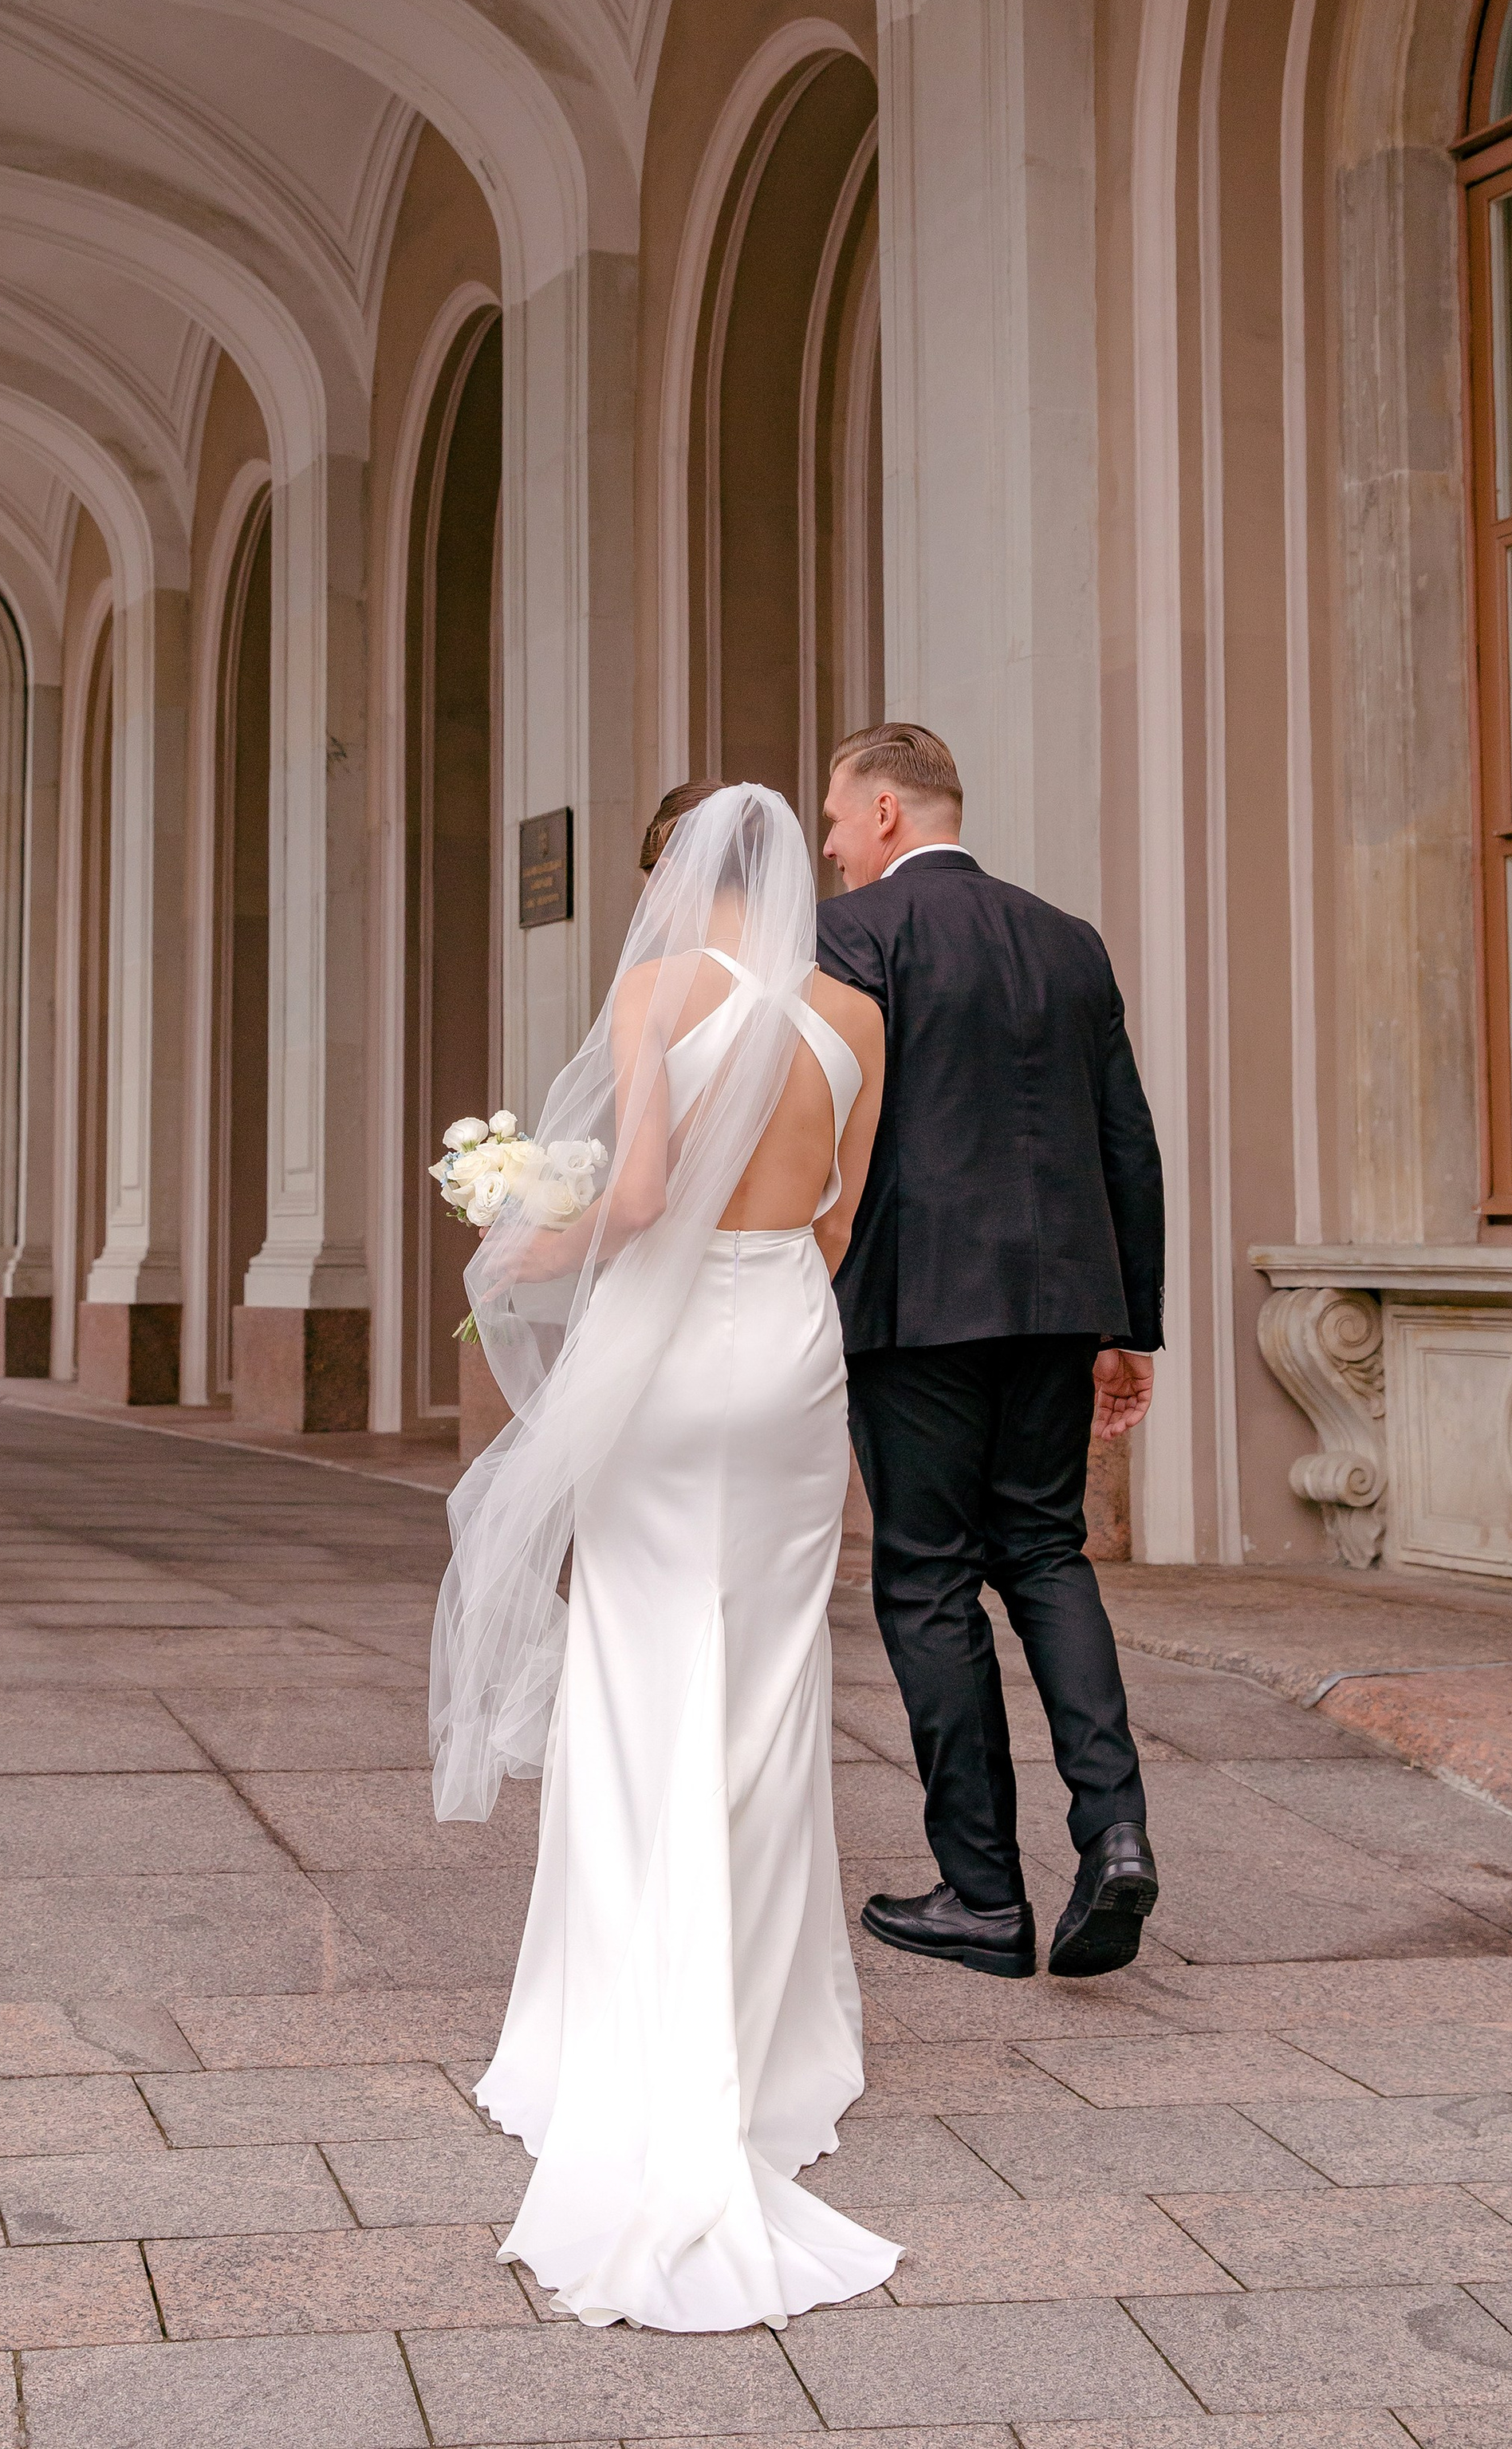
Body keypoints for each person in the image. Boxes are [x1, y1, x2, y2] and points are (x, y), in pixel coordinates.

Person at [431, 779, 893, 2332]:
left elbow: (634, 1200)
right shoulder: (851, 1015)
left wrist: (521, 1240)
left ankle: (619, 2033)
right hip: (789, 1353)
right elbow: (833, 1224)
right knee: (766, 1695)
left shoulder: (650, 988)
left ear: (677, 875)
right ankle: (766, 2050)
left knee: (636, 1676)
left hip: (673, 1346)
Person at [816, 722, 1165, 1981]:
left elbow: (824, 1120)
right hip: (1065, 1297)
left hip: (915, 1303)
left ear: (892, 812)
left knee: (926, 1577)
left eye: (840, 820)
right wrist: (1129, 1322)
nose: (836, 845)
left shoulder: (854, 936)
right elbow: (1128, 1137)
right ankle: (1114, 1831)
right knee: (1047, 1551)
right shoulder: (1069, 939)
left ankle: (981, 1892)